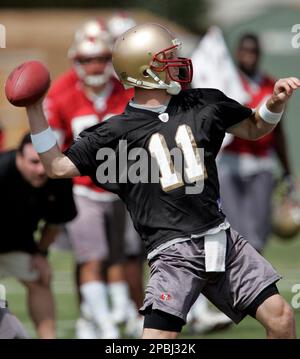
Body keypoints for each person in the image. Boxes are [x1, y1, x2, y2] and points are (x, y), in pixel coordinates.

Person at [25, 23, 299, 339]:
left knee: (280, 318)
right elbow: (57, 166)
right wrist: (34, 109)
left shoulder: (203, 103)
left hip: (220, 238)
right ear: (144, 68)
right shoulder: (115, 132)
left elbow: (254, 128)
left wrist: (274, 102)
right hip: (172, 253)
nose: (176, 60)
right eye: (166, 57)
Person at [45, 19, 142, 339]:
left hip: (122, 190)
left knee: (118, 257)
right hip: (82, 190)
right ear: (76, 60)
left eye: (101, 57)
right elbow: (52, 149)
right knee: (91, 256)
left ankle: (107, 316)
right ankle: (103, 322)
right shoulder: (61, 93)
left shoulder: (126, 90)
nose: (95, 65)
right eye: (87, 59)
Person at [218, 33, 294, 252]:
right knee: (231, 232)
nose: (248, 56)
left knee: (257, 234)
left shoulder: (271, 84)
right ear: (237, 53)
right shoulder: (227, 82)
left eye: (253, 51)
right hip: (230, 162)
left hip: (261, 163)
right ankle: (233, 283)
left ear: (259, 54)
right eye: (245, 50)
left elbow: (278, 132)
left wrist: (288, 171)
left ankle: (252, 281)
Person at [0, 133, 77, 338]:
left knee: (41, 278)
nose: (41, 169)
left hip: (19, 244)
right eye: (34, 162)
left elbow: (55, 222)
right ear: (18, 157)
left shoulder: (58, 176)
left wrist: (40, 254)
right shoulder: (2, 171)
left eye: (44, 162)